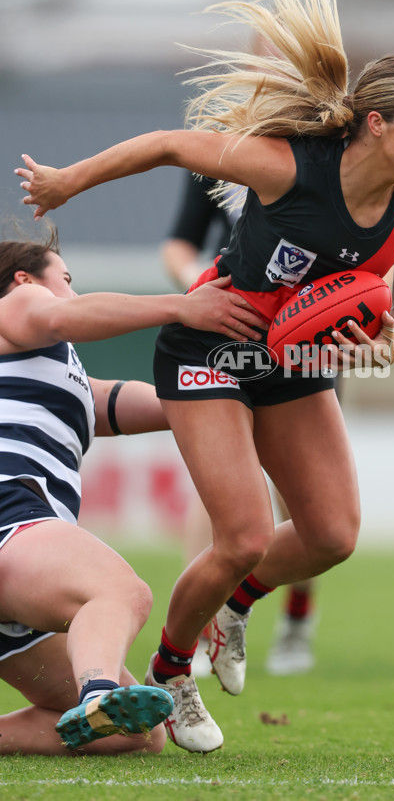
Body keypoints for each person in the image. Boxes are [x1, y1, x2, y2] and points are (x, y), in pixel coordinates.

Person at [15, 0, 394, 754]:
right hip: (211, 345)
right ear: (379, 124)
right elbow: (169, 145)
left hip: (296, 360)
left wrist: (389, 345)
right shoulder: (291, 166)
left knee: (332, 534)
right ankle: (173, 670)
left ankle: (237, 605)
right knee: (244, 533)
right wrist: (67, 182)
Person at [0, 220, 266, 755]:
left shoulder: (55, 370)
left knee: (139, 734)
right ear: (26, 279)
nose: (72, 293)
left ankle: (97, 704)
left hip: (15, 559)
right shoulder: (20, 305)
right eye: (68, 279)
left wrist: (239, 386)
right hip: (9, 514)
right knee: (121, 592)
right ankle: (95, 690)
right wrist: (181, 306)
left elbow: (133, 403)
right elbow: (64, 313)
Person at [163, 171, 319, 679]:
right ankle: (202, 627)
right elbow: (177, 244)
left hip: (302, 348)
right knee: (215, 491)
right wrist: (199, 288)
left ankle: (295, 623)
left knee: (308, 505)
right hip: (228, 337)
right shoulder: (217, 160)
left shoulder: (324, 156)